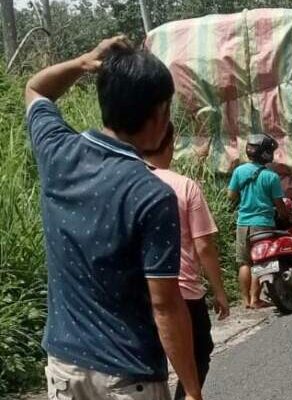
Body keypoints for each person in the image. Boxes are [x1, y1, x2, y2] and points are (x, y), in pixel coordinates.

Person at [25, 38, 202, 400]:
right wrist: (194, 391)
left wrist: (82, 62)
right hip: (128, 376)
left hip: (64, 368)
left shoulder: (57, 153)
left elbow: (35, 88)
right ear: (160, 115)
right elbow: (165, 306)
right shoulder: (152, 195)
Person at [145, 124, 230, 400]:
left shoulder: (130, 183)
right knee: (199, 351)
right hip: (184, 293)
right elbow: (203, 245)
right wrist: (219, 292)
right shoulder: (185, 186)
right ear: (169, 145)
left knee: (152, 358)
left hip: (142, 290)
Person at [228, 133, 291, 308]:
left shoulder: (239, 171)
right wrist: (286, 216)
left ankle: (245, 300)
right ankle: (256, 299)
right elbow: (279, 205)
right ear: (265, 153)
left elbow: (231, 196)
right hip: (263, 225)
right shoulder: (271, 177)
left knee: (244, 262)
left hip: (243, 224)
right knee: (261, 262)